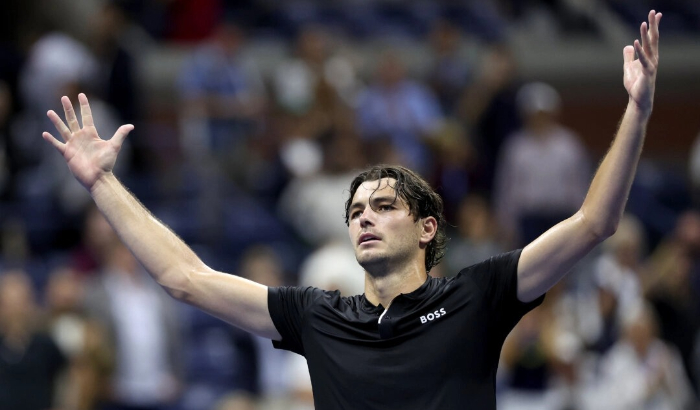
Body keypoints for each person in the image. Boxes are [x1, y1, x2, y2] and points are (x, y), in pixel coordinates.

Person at [42, 10, 662, 410]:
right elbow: (185, 279)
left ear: (426, 228)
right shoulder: (317, 315)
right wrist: (102, 183)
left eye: (384, 205)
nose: (363, 216)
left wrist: (635, 112)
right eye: (356, 208)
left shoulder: (479, 294)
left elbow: (593, 223)